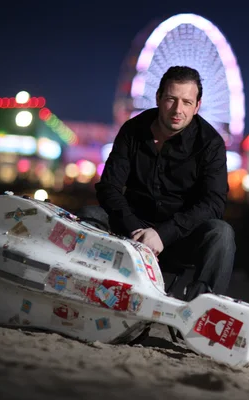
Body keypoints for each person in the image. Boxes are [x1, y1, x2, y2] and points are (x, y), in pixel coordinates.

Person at [79, 66, 235, 301]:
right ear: (158, 98)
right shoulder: (133, 130)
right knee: (89, 215)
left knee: (221, 234)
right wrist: (135, 230)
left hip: (179, 238)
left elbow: (214, 203)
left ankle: (203, 309)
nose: (178, 110)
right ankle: (80, 290)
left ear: (197, 106)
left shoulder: (210, 143)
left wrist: (162, 234)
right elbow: (109, 186)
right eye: (171, 99)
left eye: (186, 102)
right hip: (130, 229)